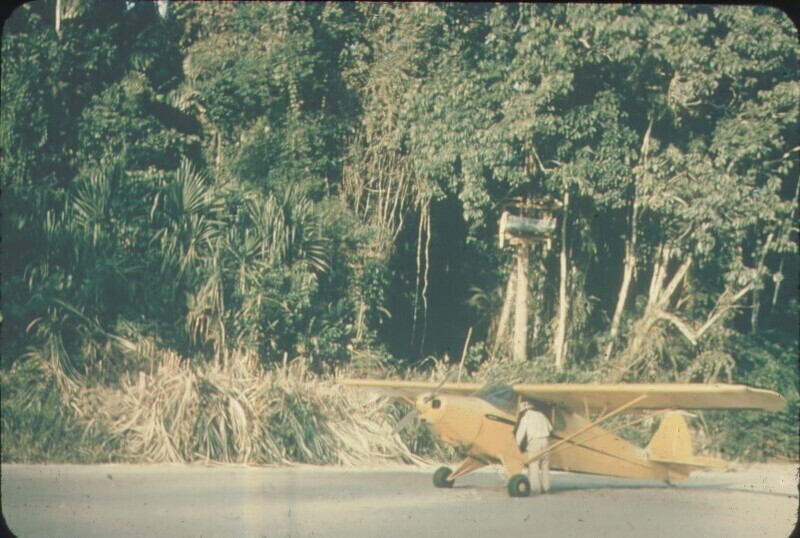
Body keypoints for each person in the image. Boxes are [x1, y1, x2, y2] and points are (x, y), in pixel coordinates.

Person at [515, 400, 553, 494]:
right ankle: (546, 488)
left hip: (534, 442)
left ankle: (535, 489)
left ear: (524, 410)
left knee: (534, 466)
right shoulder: (541, 415)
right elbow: (550, 428)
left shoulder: (526, 418)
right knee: (545, 465)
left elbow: (520, 434)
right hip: (545, 441)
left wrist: (516, 446)